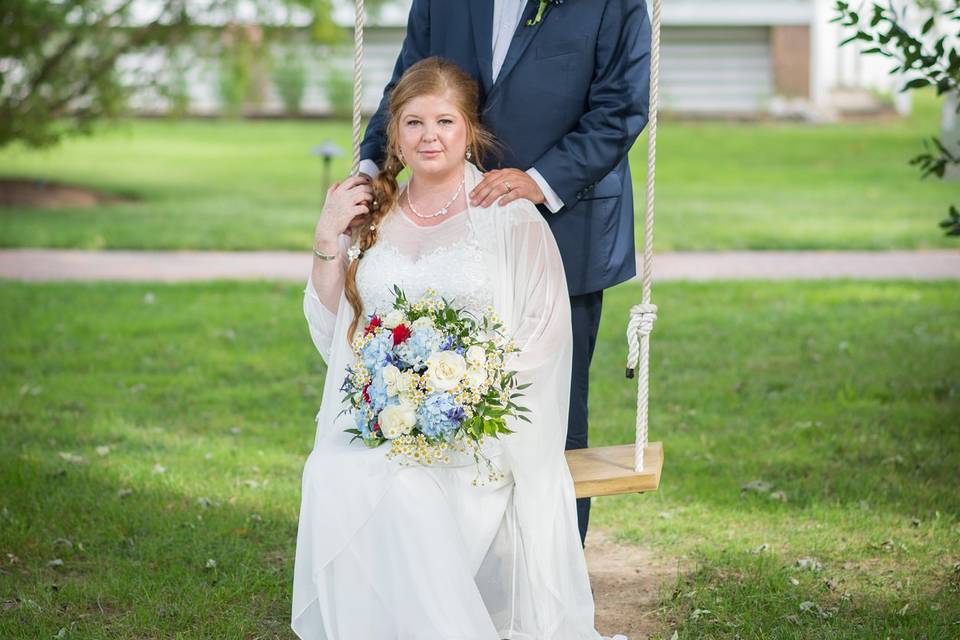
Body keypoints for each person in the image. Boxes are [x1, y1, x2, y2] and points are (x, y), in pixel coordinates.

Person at [291, 57, 625, 640]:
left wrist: (463, 397)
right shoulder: (375, 215)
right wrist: (326, 239)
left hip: (481, 429)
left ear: (471, 131)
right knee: (332, 470)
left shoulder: (508, 216)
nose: (429, 136)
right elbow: (334, 328)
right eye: (414, 123)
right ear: (393, 134)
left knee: (402, 487)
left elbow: (543, 337)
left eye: (445, 121)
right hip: (385, 422)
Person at [359, 0, 652, 546]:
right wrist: (369, 170)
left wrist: (540, 180)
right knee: (438, 397)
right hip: (450, 231)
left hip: (569, 227)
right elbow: (408, 84)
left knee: (552, 413)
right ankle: (451, 566)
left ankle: (548, 575)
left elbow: (621, 108)